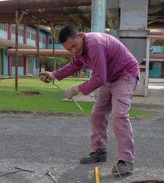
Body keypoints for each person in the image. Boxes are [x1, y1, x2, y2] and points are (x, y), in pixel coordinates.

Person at [40, 26, 139, 175]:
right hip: (109, 78)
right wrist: (54, 75)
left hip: (125, 74)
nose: (73, 51)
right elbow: (75, 64)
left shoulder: (94, 44)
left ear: (80, 36)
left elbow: (99, 78)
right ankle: (99, 151)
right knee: (97, 114)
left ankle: (127, 160)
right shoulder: (81, 50)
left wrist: (76, 89)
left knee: (119, 115)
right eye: (69, 50)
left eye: (74, 46)